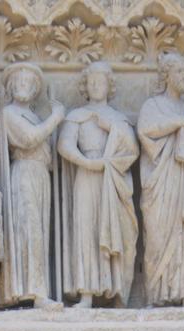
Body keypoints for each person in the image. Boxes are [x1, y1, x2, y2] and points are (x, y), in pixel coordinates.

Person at [58, 60, 138, 307]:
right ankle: (87, 294)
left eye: (100, 81)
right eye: (91, 81)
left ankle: (117, 290)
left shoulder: (118, 119)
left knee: (116, 231)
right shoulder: (77, 116)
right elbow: (64, 145)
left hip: (111, 179)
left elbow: (131, 151)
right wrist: (85, 161)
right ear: (85, 86)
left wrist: (112, 129)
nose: (95, 85)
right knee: (86, 231)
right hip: (86, 175)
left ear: (108, 86)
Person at [138, 51, 184, 307]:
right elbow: (145, 130)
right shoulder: (153, 105)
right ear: (166, 75)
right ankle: (157, 293)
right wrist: (180, 123)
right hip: (161, 183)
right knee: (158, 234)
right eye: (179, 71)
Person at [0, 61, 64, 307]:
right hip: (24, 171)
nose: (23, 86)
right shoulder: (10, 114)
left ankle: (39, 289)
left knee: (40, 232)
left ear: (36, 89)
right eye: (19, 82)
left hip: (40, 175)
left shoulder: (35, 116)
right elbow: (29, 138)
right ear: (11, 87)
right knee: (30, 230)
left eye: (28, 82)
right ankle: (33, 292)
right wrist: (55, 119)